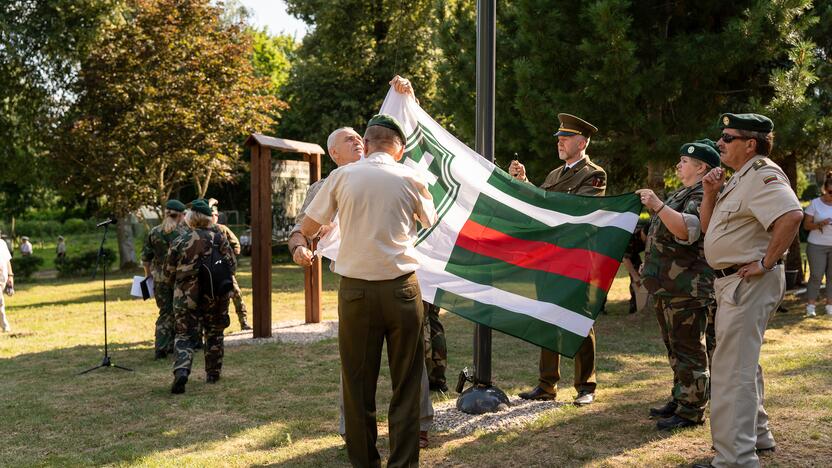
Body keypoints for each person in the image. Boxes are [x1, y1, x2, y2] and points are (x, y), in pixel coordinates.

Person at [300, 114, 436, 467]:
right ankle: (403, 464)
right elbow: (429, 220)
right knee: (406, 383)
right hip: (401, 289)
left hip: (356, 290)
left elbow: (310, 226)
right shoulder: (411, 176)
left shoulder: (341, 176)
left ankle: (364, 463)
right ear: (400, 148)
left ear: (368, 141)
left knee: (357, 383)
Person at [694, 113, 803, 468]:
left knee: (731, 370)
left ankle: (736, 458)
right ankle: (757, 435)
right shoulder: (740, 178)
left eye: (727, 137)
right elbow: (711, 231)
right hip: (733, 282)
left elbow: (791, 215)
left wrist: (767, 262)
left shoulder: (762, 174)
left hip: (747, 282)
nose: (720, 143)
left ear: (750, 144)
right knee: (743, 363)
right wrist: (710, 193)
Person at [510, 113, 606, 406]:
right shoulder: (554, 175)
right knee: (547, 318)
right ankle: (546, 384)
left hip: (576, 258)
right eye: (559, 138)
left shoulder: (594, 173)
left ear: (582, 141)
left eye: (565, 138)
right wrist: (524, 183)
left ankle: (586, 386)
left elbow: (577, 210)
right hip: (550, 258)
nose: (560, 142)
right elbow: (540, 206)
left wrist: (541, 200)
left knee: (579, 321)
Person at [635, 139, 719, 431]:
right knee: (675, 349)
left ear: (701, 167)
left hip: (688, 288)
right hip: (668, 287)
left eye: (684, 161)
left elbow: (688, 229)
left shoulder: (702, 194)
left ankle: (691, 409)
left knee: (690, 350)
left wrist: (657, 205)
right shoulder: (682, 192)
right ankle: (680, 397)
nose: (678, 165)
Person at [163, 199, 236, 394]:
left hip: (186, 296)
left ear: (190, 218)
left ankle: (182, 371)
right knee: (214, 333)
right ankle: (213, 373)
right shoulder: (220, 238)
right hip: (215, 294)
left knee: (184, 334)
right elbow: (232, 266)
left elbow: (168, 273)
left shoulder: (180, 240)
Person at [142, 199, 188, 359]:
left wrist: (148, 275)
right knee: (179, 312)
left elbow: (146, 258)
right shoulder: (182, 234)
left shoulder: (154, 232)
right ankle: (175, 345)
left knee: (165, 313)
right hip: (178, 279)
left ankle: (161, 346)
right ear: (181, 215)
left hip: (159, 279)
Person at [208, 199, 251, 330]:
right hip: (208, 270)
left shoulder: (222, 229)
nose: (214, 217)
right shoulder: (201, 230)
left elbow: (236, 244)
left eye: (215, 215)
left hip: (224, 269)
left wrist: (231, 257)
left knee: (236, 294)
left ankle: (243, 322)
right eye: (212, 215)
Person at [802, 172, 832, 317]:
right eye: (831, 192)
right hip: (817, 246)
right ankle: (811, 306)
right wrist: (820, 224)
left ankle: (830, 306)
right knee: (816, 276)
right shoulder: (815, 203)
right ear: (825, 189)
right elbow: (806, 226)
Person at [0, 237, 13, 333]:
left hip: (2, 278)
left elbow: (7, 260)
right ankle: (4, 324)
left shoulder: (2, 243)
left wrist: (10, 276)